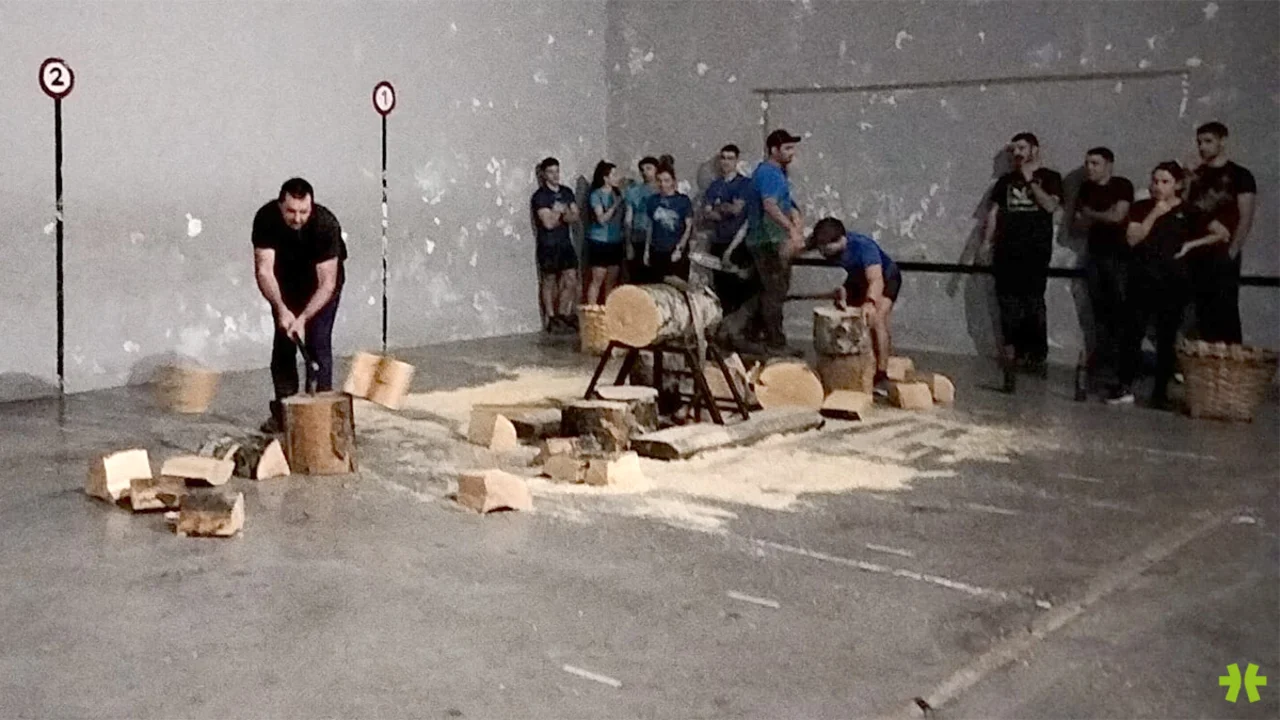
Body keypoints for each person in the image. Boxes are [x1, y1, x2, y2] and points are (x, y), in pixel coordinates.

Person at [1110, 162, 1230, 407]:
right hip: (1141, 279)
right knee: (1132, 333)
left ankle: (1160, 392)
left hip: (1172, 281)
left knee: (1167, 338)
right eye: (1155, 181)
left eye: (1165, 182)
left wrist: (1190, 245)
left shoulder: (1189, 210)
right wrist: (1156, 213)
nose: (1158, 187)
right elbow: (1133, 238)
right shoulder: (1141, 207)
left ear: (1178, 184)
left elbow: (1221, 233)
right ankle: (1124, 385)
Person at [252, 178, 346, 433]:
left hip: (320, 289)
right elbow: (264, 271)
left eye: (303, 211)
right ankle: (285, 415)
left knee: (317, 343)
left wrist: (303, 318)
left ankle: (319, 418)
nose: (297, 218)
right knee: (284, 346)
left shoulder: (326, 224)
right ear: (280, 206)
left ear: (311, 206)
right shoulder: (266, 219)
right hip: (285, 286)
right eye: (291, 211)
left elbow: (327, 283)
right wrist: (281, 309)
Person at [984, 132, 1062, 391]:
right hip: (1006, 252)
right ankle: (1011, 355)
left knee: (1033, 304)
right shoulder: (1004, 182)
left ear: (1034, 150)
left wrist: (1030, 180)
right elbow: (994, 212)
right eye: (1013, 150)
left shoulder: (1050, 177)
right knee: (1007, 305)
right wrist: (986, 243)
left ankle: (1036, 356)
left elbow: (1050, 206)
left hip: (1035, 253)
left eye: (1021, 148)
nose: (1016, 153)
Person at [808, 218, 902, 396]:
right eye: (821, 249)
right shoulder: (821, 241)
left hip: (886, 277)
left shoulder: (864, 247)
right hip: (856, 277)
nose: (824, 253)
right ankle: (847, 368)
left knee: (877, 319)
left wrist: (870, 302)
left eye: (828, 249)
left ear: (842, 239)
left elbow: (876, 280)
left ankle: (882, 375)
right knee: (843, 314)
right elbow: (798, 247)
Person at [1187, 121, 1257, 343]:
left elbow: (1245, 216)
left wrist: (1233, 250)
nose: (1202, 147)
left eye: (1208, 141)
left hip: (1223, 252)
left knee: (1226, 311)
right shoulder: (1197, 175)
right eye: (1199, 142)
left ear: (1222, 141)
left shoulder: (1240, 175)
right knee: (1201, 312)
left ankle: (1231, 358)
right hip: (1197, 252)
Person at [1074, 146, 1134, 385]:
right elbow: (1079, 223)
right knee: (1098, 310)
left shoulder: (1121, 185)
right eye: (1087, 163)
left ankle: (1121, 362)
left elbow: (1118, 216)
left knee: (1119, 309)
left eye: (1095, 163)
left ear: (1108, 164)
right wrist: (1101, 215)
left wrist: (1092, 214)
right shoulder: (1086, 189)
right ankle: (1103, 359)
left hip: (1118, 256)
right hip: (1095, 254)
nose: (1090, 168)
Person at [744, 129, 806, 353]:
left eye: (792, 147)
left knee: (767, 291)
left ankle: (757, 337)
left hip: (768, 239)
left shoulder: (776, 173)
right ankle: (775, 343)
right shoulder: (769, 173)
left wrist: (796, 216)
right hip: (767, 241)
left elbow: (785, 202)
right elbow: (770, 205)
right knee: (775, 292)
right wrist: (791, 229)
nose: (792, 152)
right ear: (773, 150)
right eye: (787, 148)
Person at [702, 144, 755, 313]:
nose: (726, 162)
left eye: (730, 158)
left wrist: (719, 208)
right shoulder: (714, 186)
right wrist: (726, 208)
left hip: (738, 242)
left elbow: (736, 210)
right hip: (718, 240)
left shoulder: (745, 184)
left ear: (737, 161)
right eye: (723, 158)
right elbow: (707, 213)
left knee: (738, 287)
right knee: (720, 286)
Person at [531, 156, 580, 334]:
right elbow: (548, 223)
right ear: (544, 174)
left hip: (565, 243)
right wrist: (560, 213)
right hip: (548, 244)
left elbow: (574, 216)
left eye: (557, 171)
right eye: (551, 172)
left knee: (571, 278)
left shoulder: (566, 192)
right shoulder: (540, 196)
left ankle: (563, 313)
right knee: (549, 280)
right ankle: (550, 317)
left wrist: (560, 214)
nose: (555, 175)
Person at [641, 164, 693, 284]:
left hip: (675, 249)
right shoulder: (652, 200)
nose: (663, 184)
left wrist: (679, 249)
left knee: (677, 283)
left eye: (666, 180)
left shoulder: (683, 200)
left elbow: (688, 227)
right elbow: (650, 226)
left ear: (673, 181)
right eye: (659, 181)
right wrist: (646, 250)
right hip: (657, 249)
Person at [585, 161, 625, 304]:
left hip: (615, 240)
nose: (617, 177)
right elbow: (601, 219)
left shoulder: (618, 193)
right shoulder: (596, 195)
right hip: (600, 241)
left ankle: (609, 310)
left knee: (612, 280)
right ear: (605, 178)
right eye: (613, 174)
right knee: (597, 279)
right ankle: (591, 310)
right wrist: (614, 205)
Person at [623, 156, 660, 281]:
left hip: (658, 238)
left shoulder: (661, 191)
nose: (645, 172)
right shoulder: (633, 191)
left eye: (649, 168)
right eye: (642, 170)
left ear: (656, 170)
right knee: (638, 276)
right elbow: (628, 219)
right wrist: (628, 243)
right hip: (638, 235)